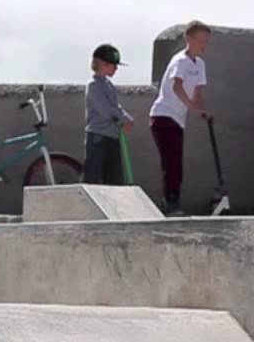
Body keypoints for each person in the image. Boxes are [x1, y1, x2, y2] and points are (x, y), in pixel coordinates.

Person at [148, 20, 210, 216]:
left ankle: (172, 200)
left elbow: (197, 91)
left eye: (206, 41)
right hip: (163, 115)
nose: (203, 45)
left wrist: (201, 110)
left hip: (178, 119)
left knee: (177, 163)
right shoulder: (180, 61)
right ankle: (170, 202)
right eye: (200, 40)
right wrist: (192, 107)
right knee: (172, 162)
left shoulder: (200, 64)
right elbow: (177, 86)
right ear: (188, 39)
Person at [83, 44, 133, 185]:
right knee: (93, 175)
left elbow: (115, 106)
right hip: (98, 136)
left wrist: (126, 117)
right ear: (103, 64)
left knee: (114, 176)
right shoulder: (93, 85)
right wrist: (122, 120)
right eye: (114, 65)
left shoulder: (109, 85)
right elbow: (104, 109)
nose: (116, 69)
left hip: (112, 135)